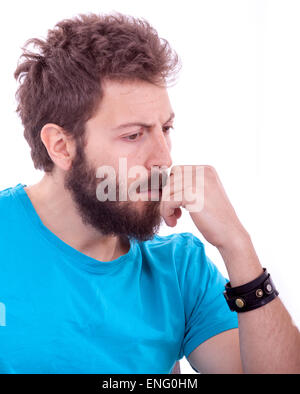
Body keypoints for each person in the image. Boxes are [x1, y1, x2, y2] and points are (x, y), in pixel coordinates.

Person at [0, 12, 299, 374]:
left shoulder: (180, 269)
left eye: (166, 128)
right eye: (133, 135)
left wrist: (237, 245)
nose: (164, 159)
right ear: (61, 146)